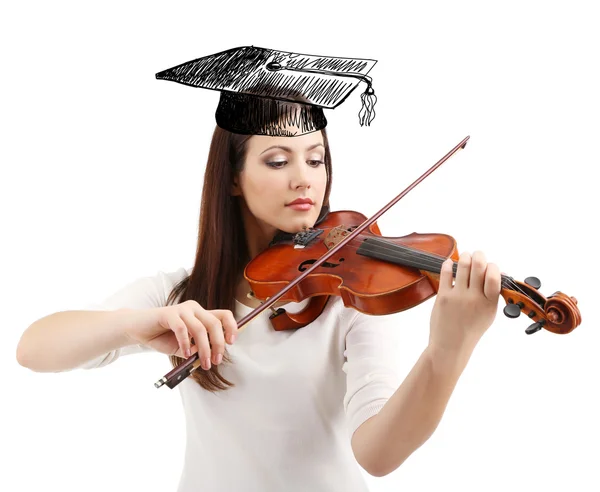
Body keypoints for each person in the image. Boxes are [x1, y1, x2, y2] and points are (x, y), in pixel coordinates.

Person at [16, 46, 501, 491]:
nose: (303, 178)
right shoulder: (182, 294)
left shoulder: (349, 299)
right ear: (231, 177)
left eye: (316, 159)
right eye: (276, 161)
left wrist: (447, 351)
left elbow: (377, 453)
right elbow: (34, 350)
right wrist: (146, 323)